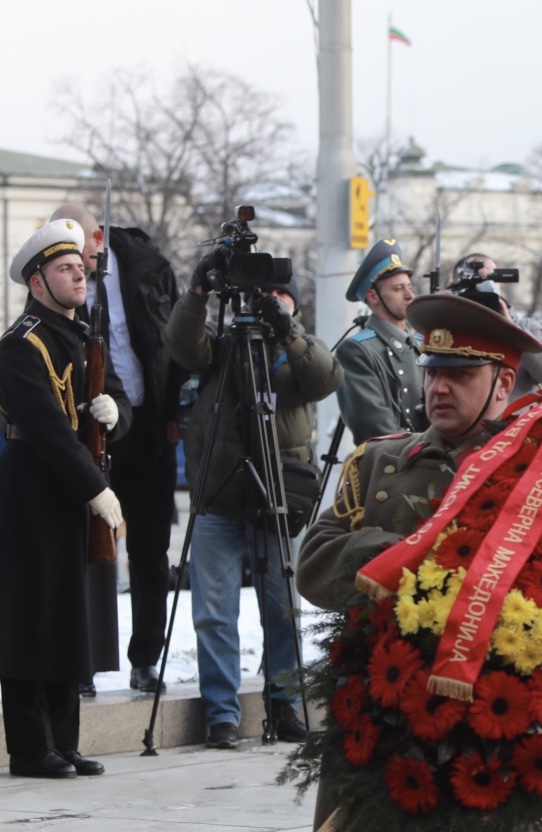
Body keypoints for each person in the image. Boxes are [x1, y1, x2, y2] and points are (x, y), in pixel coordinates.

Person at [295, 293, 542, 832]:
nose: (438, 388)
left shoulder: (536, 474)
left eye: (459, 373)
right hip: (376, 717)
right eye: (432, 370)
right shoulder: (381, 461)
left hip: (486, 723)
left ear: (504, 382)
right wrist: (419, 556)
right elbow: (316, 563)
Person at [167, 263, 343, 749]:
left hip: (278, 500)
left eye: (278, 295)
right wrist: (199, 292)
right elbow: (182, 345)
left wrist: (285, 331)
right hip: (219, 497)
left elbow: (326, 378)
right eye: (259, 295)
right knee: (214, 612)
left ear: (294, 304)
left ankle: (283, 703)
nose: (267, 301)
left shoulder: (301, 349)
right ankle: (222, 714)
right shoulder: (222, 347)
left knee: (282, 608)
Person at [0, 220, 129, 778]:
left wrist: (115, 416)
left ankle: (66, 741)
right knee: (31, 617)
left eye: (80, 268)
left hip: (70, 492)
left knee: (68, 616)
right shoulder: (19, 345)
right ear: (37, 282)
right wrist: (97, 490)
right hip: (30, 492)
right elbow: (50, 432)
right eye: (65, 270)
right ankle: (31, 748)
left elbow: (113, 399)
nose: (80, 275)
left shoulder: (81, 335)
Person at [53, 204, 184, 695]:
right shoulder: (60, 281)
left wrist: (174, 411)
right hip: (90, 436)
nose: (74, 263)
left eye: (79, 249)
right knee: (86, 552)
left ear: (98, 237)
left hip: (149, 430)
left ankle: (145, 658)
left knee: (150, 552)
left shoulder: (148, 271)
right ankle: (80, 660)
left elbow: (173, 347)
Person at [336, 239, 424, 445]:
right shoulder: (357, 350)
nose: (410, 295)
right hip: (393, 467)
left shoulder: (422, 344)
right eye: (398, 288)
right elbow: (376, 430)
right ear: (373, 296)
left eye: (409, 287)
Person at [451, 251, 542, 397]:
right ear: (454, 285)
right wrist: (439, 309)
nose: (480, 288)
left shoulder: (526, 326)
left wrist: (513, 330)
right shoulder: (444, 326)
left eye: (488, 280)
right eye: (472, 282)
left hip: (511, 418)